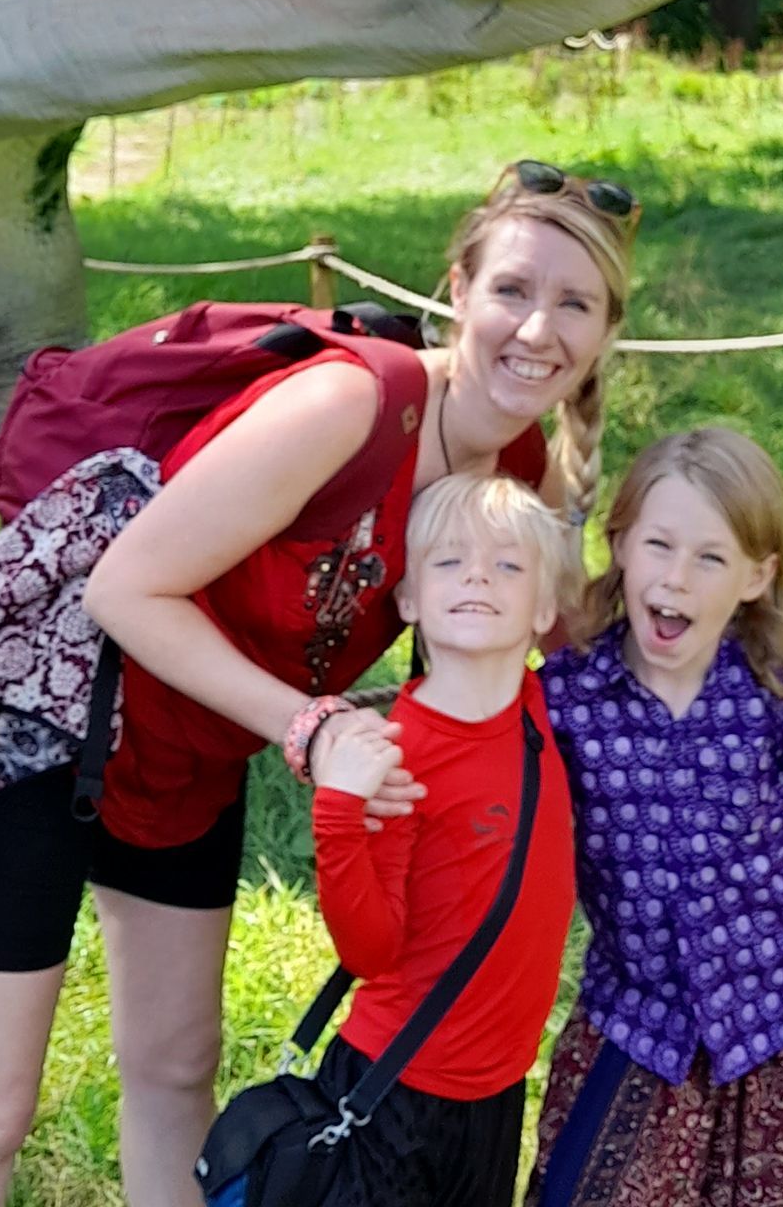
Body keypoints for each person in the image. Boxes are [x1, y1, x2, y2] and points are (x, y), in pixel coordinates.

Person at [0, 159, 637, 1207]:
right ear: (458, 289)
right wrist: (315, 729)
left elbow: (583, 650)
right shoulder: (350, 400)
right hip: (45, 712)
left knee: (176, 1066)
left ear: (608, 330)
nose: (538, 328)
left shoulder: (514, 467)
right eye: (513, 288)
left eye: (576, 303)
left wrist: (773, 672)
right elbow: (125, 588)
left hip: (192, 745)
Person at [531, 426, 783, 1207]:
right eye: (658, 545)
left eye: (711, 558)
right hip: (633, 1029)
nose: (676, 579)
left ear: (758, 575)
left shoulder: (780, 681)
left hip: (778, 1030)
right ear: (619, 546)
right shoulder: (565, 697)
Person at [303, 471, 578, 1207]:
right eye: (449, 561)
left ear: (544, 606)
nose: (479, 576)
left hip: (497, 1090)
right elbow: (369, 951)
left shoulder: (545, 709)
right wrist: (338, 814)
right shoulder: (395, 755)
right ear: (409, 598)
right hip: (395, 1084)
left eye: (509, 564)